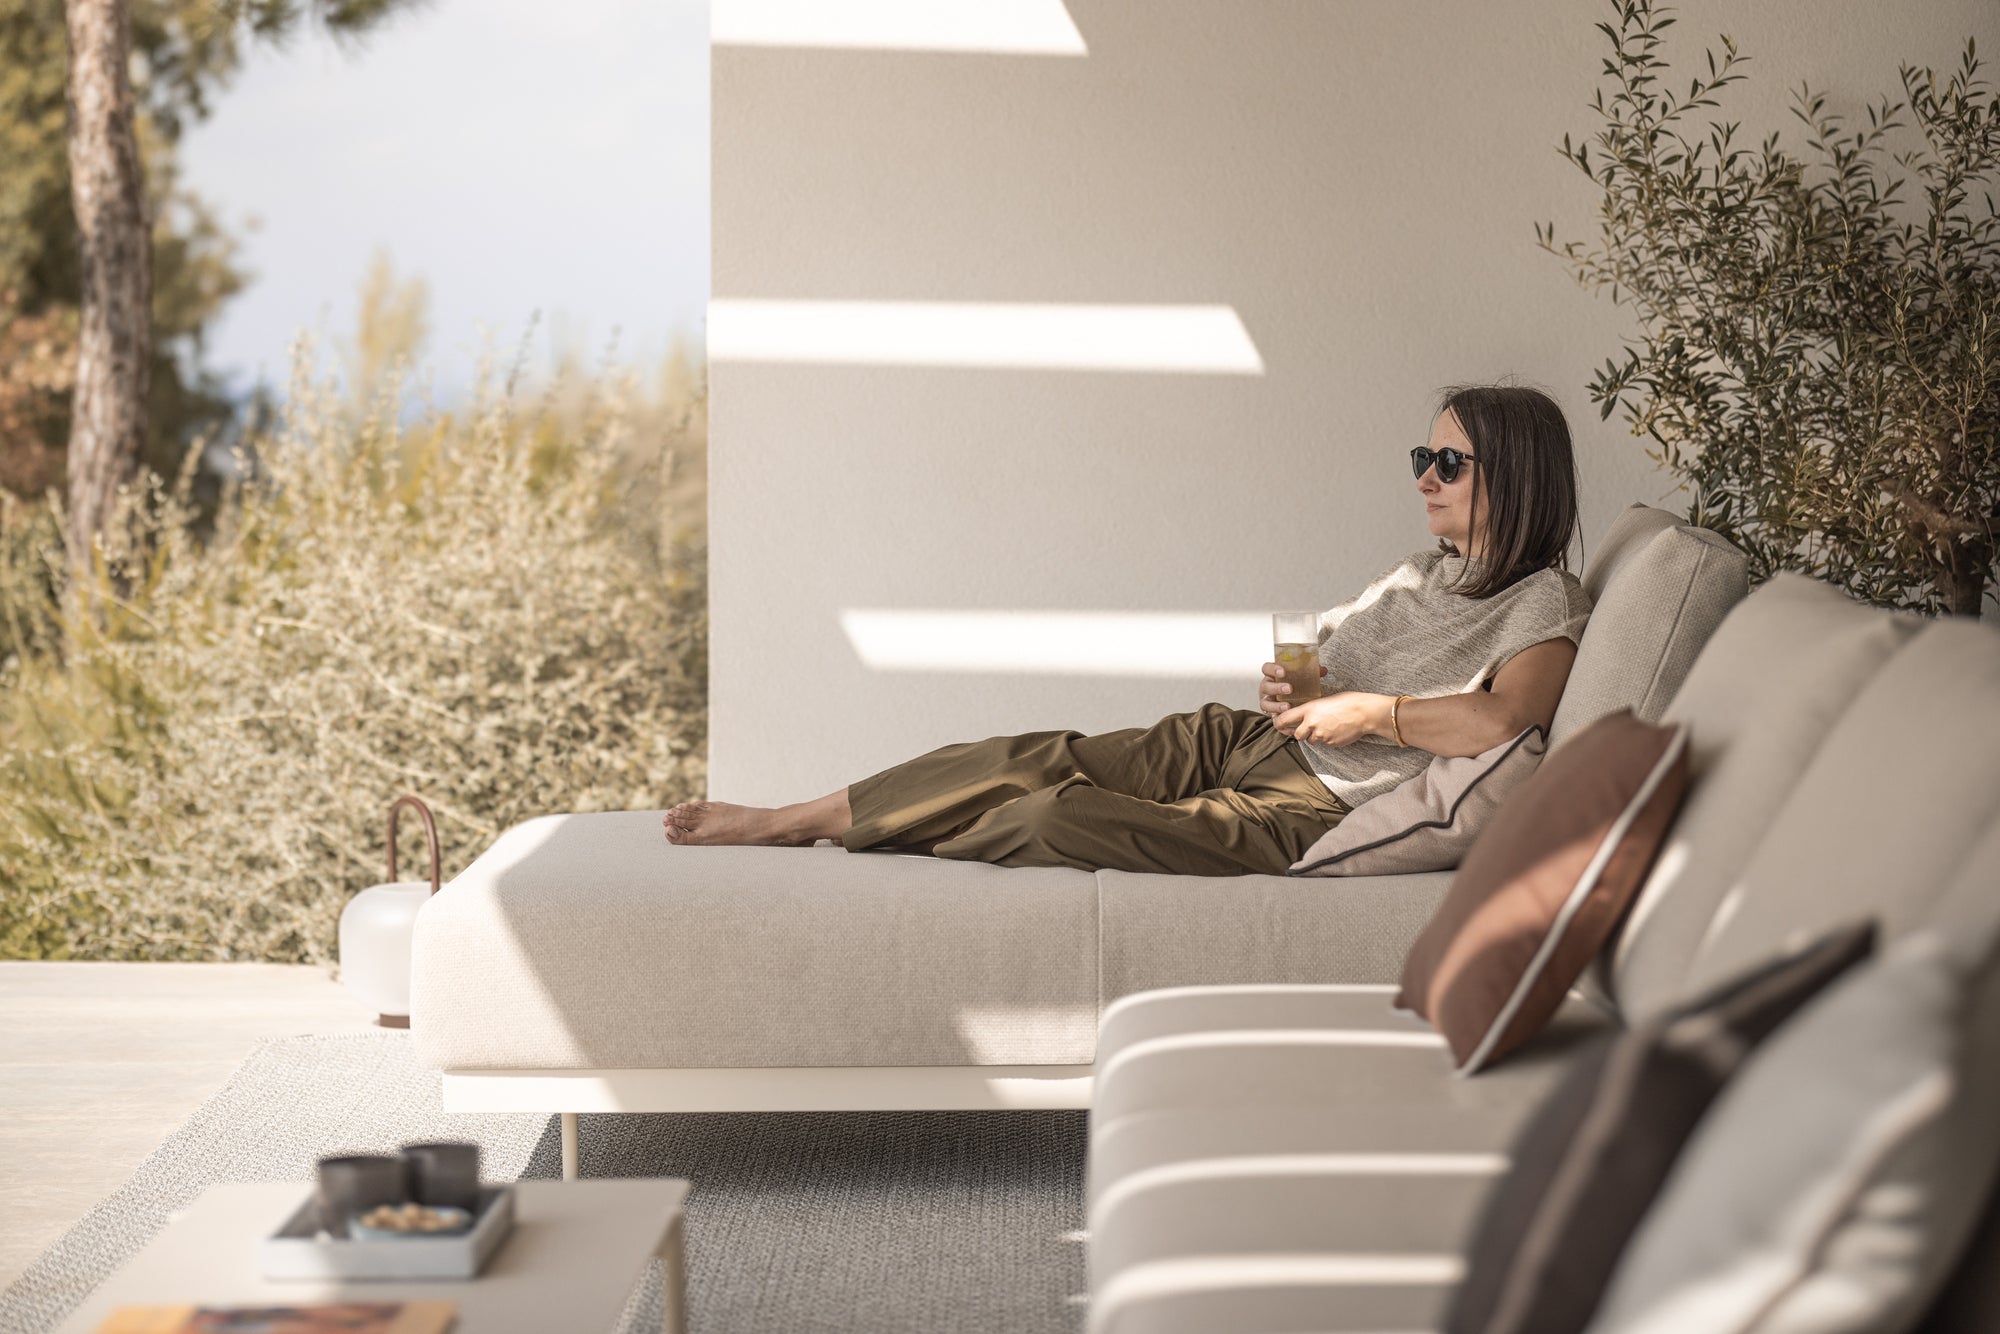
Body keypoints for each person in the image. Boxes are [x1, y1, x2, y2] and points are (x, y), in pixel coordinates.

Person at [664, 383, 1593, 876]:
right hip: (1250, 739)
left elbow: (1504, 722)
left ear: (1515, 477)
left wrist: (1368, 714)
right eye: (1424, 455)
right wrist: (1296, 690)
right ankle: (793, 821)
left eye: (1450, 463)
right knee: (1031, 757)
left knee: (1053, 814)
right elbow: (1328, 673)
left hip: (1312, 810)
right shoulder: (1425, 570)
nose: (1425, 477)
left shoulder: (1542, 604)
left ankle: (907, 830)